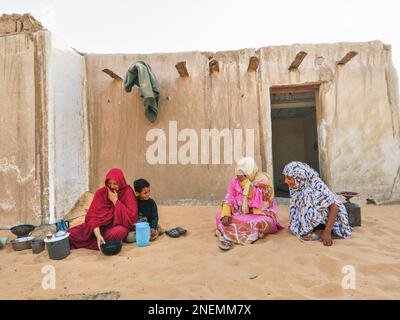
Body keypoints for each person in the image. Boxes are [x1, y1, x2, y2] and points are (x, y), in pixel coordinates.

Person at [216, 157, 284, 250]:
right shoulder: (235, 181)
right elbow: (230, 197)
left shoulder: (263, 180)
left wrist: (245, 183)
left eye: (243, 173)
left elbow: (263, 202)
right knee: (219, 215)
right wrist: (226, 213)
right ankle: (238, 234)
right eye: (238, 173)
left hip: (259, 214)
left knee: (263, 222)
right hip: (241, 214)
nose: (240, 176)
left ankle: (228, 234)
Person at [283, 161, 352, 246]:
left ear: (299, 177)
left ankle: (322, 231)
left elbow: (334, 207)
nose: (285, 181)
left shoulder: (315, 185)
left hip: (332, 216)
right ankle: (312, 229)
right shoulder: (297, 186)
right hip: (316, 217)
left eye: (289, 178)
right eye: (285, 177)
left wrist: (327, 233)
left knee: (307, 194)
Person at [68, 168, 138, 250]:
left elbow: (132, 218)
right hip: (96, 230)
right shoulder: (101, 193)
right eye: (109, 183)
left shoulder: (127, 193)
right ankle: (98, 240)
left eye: (115, 184)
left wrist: (116, 202)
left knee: (121, 231)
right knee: (69, 234)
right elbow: (92, 218)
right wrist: (98, 235)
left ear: (121, 182)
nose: (112, 186)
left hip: (112, 229)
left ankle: (99, 241)